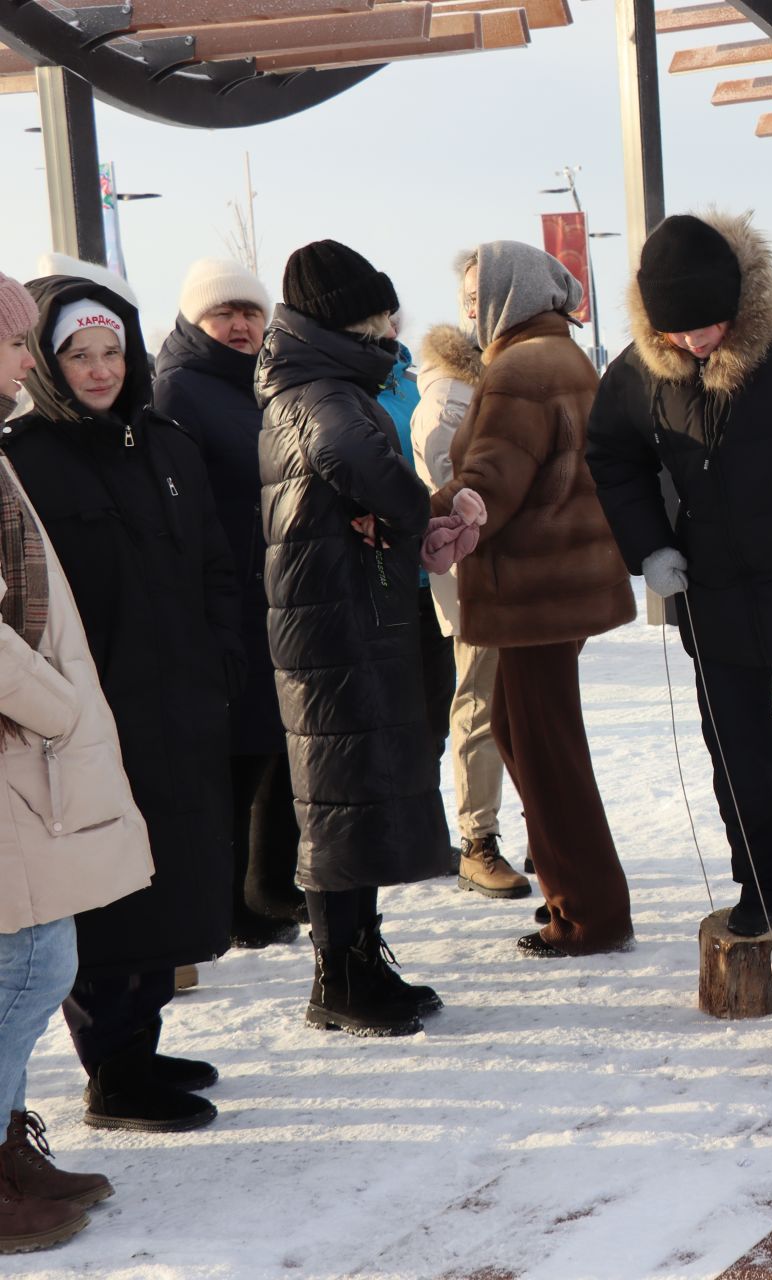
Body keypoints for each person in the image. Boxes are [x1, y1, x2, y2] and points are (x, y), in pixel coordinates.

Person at [586, 211, 772, 960]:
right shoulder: (637, 371)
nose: (695, 343)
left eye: (708, 326)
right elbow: (611, 453)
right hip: (716, 595)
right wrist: (650, 548)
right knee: (739, 755)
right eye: (678, 332)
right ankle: (765, 886)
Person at [1, 274, 239, 1130]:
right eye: (77, 355)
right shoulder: (27, 458)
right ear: (46, 365)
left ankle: (141, 1040)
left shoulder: (167, 445)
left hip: (181, 701)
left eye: (112, 352)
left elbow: (215, 564)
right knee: (106, 893)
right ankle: (111, 1069)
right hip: (90, 714)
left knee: (170, 877)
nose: (100, 370)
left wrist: (222, 661)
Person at [257, 240, 482, 1036]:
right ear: (334, 322)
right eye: (371, 318)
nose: (387, 331)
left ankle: (359, 953)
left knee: (352, 794)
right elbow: (363, 464)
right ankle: (336, 976)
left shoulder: (322, 381)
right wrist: (420, 510)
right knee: (335, 801)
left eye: (387, 316)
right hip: (329, 624)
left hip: (343, 613)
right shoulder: (319, 391)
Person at [431, 241, 637, 955]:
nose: (468, 314)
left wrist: (435, 514)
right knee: (526, 733)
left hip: (533, 588)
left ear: (506, 296)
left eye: (473, 299)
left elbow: (493, 477)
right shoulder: (562, 353)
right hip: (557, 584)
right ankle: (578, 898)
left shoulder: (518, 369)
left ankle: (591, 911)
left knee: (545, 749)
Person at [0, 269, 142, 1252]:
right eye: (14, 342)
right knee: (31, 957)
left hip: (21, 739)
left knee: (31, 948)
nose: (26, 359)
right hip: (18, 733)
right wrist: (57, 707)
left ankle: (7, 1146)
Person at [153, 257, 304, 949]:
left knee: (273, 744)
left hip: (267, 587)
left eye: (250, 312)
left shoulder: (255, 382)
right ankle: (228, 900)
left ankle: (267, 885)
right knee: (234, 759)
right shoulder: (182, 387)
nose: (240, 325)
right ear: (195, 319)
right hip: (227, 593)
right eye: (225, 314)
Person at [414, 260, 526, 900]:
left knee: (522, 706)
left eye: (489, 294)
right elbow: (457, 491)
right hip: (475, 574)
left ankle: (528, 827)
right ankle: (478, 839)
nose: (480, 307)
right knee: (481, 703)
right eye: (472, 296)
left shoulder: (502, 377)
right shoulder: (450, 394)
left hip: (516, 573)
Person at [376, 318, 458, 859]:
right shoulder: (347, 389)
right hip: (381, 575)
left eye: (387, 314)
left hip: (432, 572)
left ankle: (426, 832)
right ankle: (394, 833)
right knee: (390, 712)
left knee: (434, 706)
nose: (382, 325)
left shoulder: (412, 382)